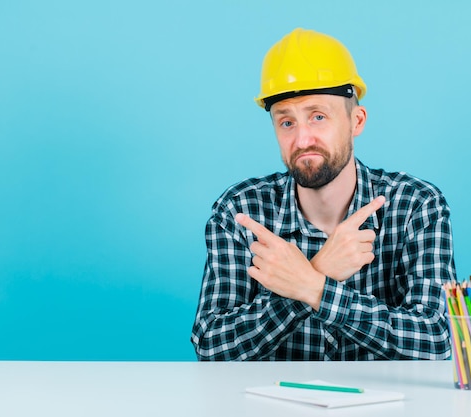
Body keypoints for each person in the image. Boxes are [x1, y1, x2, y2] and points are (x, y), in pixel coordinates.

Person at [191, 28, 456, 361]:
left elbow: (438, 338)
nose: (302, 139)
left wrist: (314, 287)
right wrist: (321, 270)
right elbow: (212, 346)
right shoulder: (241, 211)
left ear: (356, 121)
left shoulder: (416, 205)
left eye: (318, 117)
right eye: (286, 122)